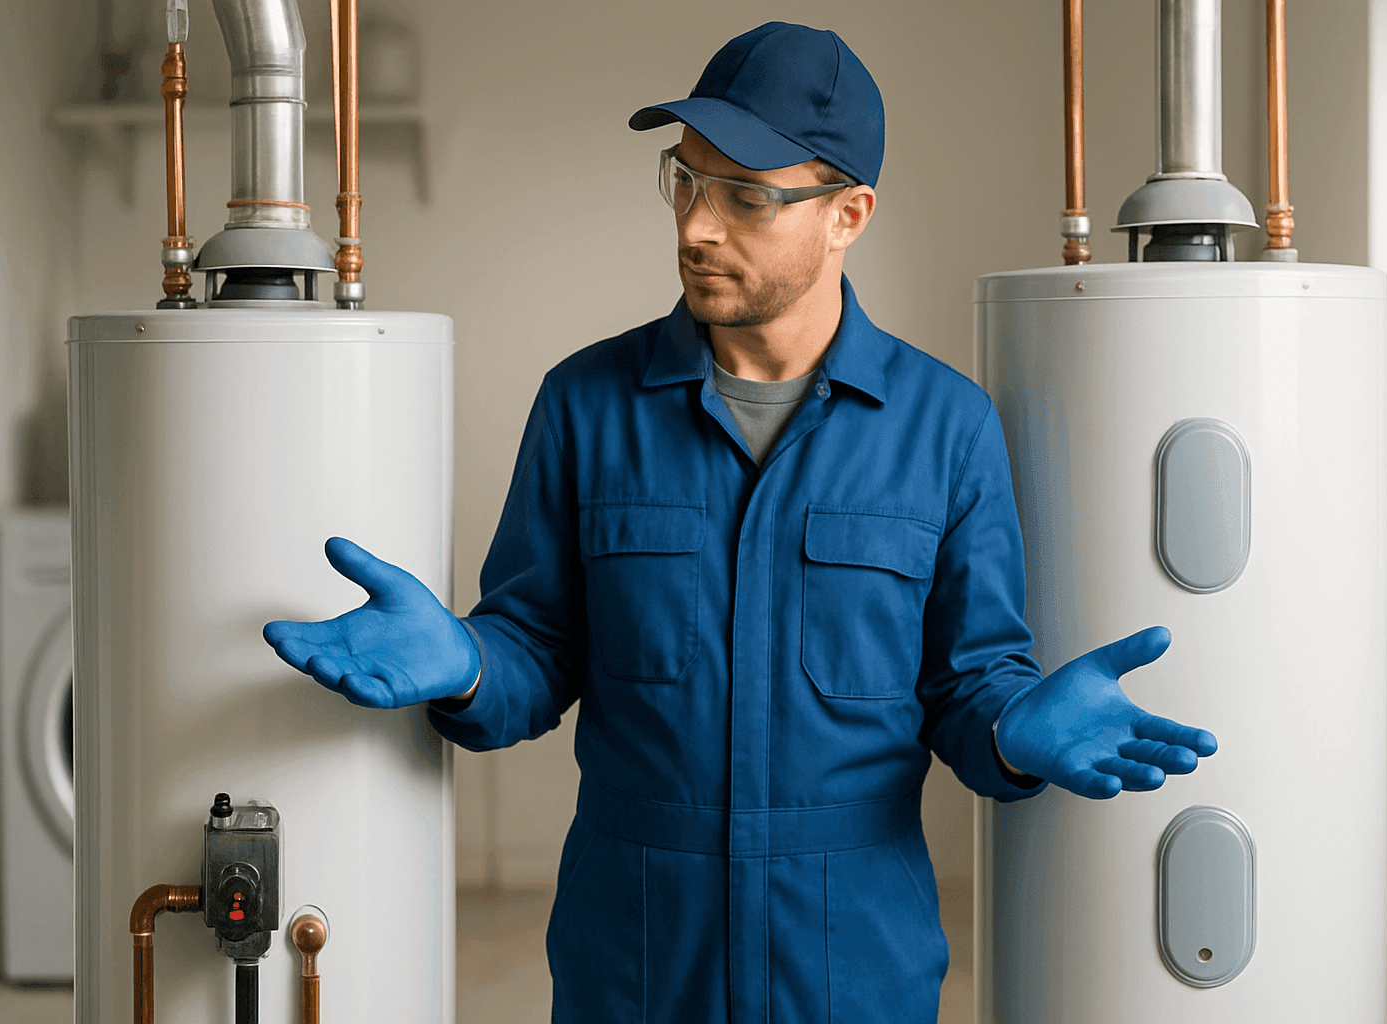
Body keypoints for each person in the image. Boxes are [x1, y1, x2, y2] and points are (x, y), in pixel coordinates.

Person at [263, 21, 1217, 1024]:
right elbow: (536, 653)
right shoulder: (587, 406)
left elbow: (968, 686)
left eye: (747, 197)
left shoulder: (945, 428)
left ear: (847, 214)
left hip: (852, 964)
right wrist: (465, 658)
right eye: (685, 180)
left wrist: (1018, 728)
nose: (697, 226)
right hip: (634, 961)